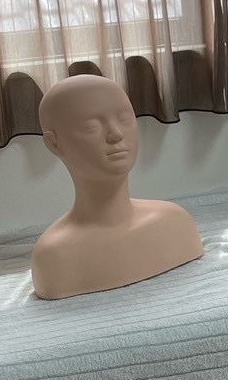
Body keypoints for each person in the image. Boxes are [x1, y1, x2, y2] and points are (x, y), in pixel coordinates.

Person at [31, 74, 204, 300]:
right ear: (54, 143)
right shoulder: (54, 256)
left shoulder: (176, 222)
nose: (116, 134)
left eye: (124, 119)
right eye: (91, 127)